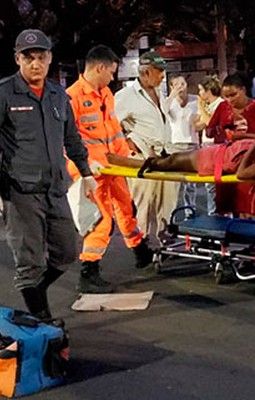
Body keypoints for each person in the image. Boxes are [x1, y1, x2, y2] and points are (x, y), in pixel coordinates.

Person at [0, 29, 97, 321]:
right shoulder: (4, 93)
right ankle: (43, 322)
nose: (35, 63)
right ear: (18, 59)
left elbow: (72, 138)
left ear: (50, 58)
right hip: (21, 192)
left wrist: (87, 173)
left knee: (67, 251)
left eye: (41, 57)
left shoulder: (57, 95)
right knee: (29, 262)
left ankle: (35, 296)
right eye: (28, 58)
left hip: (55, 188)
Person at [67, 45, 154, 293]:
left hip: (113, 167)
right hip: (92, 173)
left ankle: (140, 251)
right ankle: (89, 270)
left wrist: (129, 161)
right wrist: (81, 172)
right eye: (112, 72)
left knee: (127, 207)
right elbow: (65, 142)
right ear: (100, 67)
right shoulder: (71, 98)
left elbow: (114, 132)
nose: (113, 78)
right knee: (101, 220)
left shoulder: (105, 94)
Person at [114, 50, 180, 241]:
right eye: (158, 71)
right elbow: (110, 125)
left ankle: (163, 243)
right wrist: (127, 141)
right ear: (145, 73)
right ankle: (140, 245)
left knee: (167, 204)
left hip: (165, 157)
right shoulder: (126, 95)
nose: (162, 75)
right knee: (144, 205)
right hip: (142, 159)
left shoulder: (159, 92)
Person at [106, 131, 255, 181]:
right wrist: (244, 136)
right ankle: (135, 162)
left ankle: (131, 163)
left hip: (217, 160)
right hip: (223, 150)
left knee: (170, 162)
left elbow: (244, 174)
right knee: (172, 159)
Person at [220, 73, 255, 216]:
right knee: (227, 205)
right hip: (227, 160)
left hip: (250, 161)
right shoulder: (223, 108)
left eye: (233, 95)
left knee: (246, 206)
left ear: (243, 90)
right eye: (226, 96)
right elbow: (210, 130)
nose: (230, 100)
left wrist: (243, 136)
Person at [195, 76, 234, 215]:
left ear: (208, 90)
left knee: (218, 183)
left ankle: (221, 214)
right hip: (206, 145)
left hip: (218, 146)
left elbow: (210, 123)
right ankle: (213, 213)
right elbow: (198, 125)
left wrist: (201, 108)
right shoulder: (208, 106)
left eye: (201, 90)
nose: (199, 93)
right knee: (209, 184)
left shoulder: (220, 104)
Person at [166, 75, 199, 218]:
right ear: (171, 86)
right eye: (177, 84)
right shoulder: (168, 101)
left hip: (192, 143)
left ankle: (189, 211)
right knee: (174, 184)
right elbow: (162, 111)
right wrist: (172, 95)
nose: (181, 86)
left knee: (191, 183)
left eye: (183, 83)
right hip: (175, 145)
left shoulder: (195, 100)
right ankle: (170, 213)